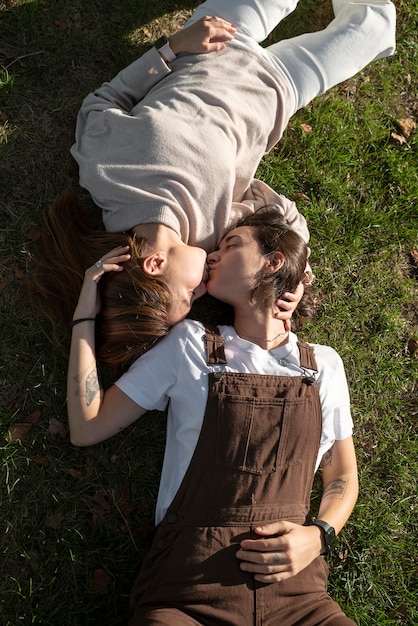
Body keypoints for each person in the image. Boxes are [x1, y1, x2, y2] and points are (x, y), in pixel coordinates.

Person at [33, 0, 396, 369]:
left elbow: (104, 100)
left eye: (190, 294)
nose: (204, 289)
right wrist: (295, 273)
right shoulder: (214, 235)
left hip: (219, 38)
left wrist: (171, 47)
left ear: (156, 263)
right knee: (376, 26)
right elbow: (281, 214)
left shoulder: (106, 173)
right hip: (280, 86)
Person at [68, 207, 359, 625]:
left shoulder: (323, 366)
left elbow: (343, 474)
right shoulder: (189, 345)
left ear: (274, 262)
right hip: (189, 595)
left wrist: (319, 535)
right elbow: (87, 425)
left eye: (232, 245)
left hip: (301, 602)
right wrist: (85, 313)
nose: (213, 256)